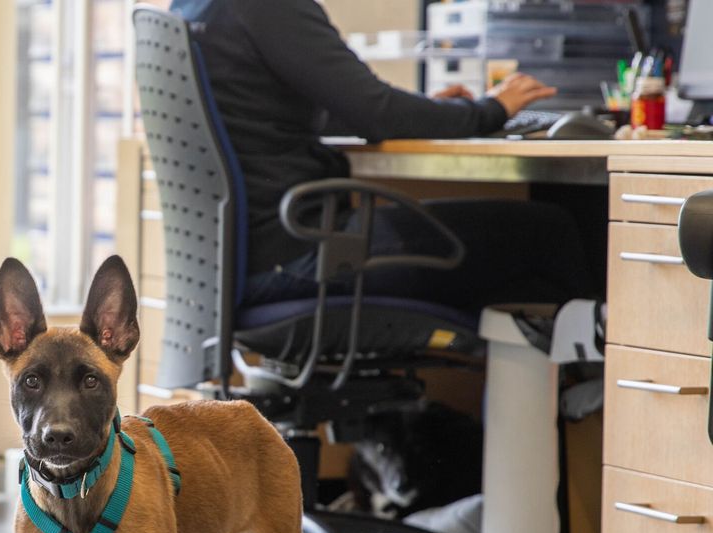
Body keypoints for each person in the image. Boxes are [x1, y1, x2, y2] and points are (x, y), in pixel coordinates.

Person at [170, 0, 598, 311]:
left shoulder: (195, 8)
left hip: (245, 260)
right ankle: (589, 404)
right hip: (301, 254)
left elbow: (302, 109)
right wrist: (492, 110)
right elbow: (378, 113)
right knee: (547, 230)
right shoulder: (269, 7)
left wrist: (435, 110)